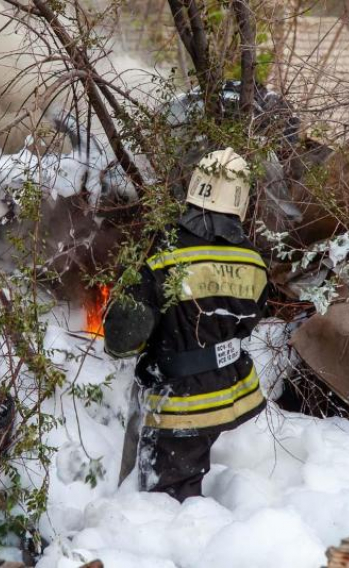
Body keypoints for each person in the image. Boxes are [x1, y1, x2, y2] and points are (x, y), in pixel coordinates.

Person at [103, 147, 269, 502]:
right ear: (242, 199)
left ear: (195, 187)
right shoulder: (254, 260)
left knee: (165, 501)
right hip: (233, 394)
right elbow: (247, 321)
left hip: (180, 407)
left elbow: (122, 341)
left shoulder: (164, 254)